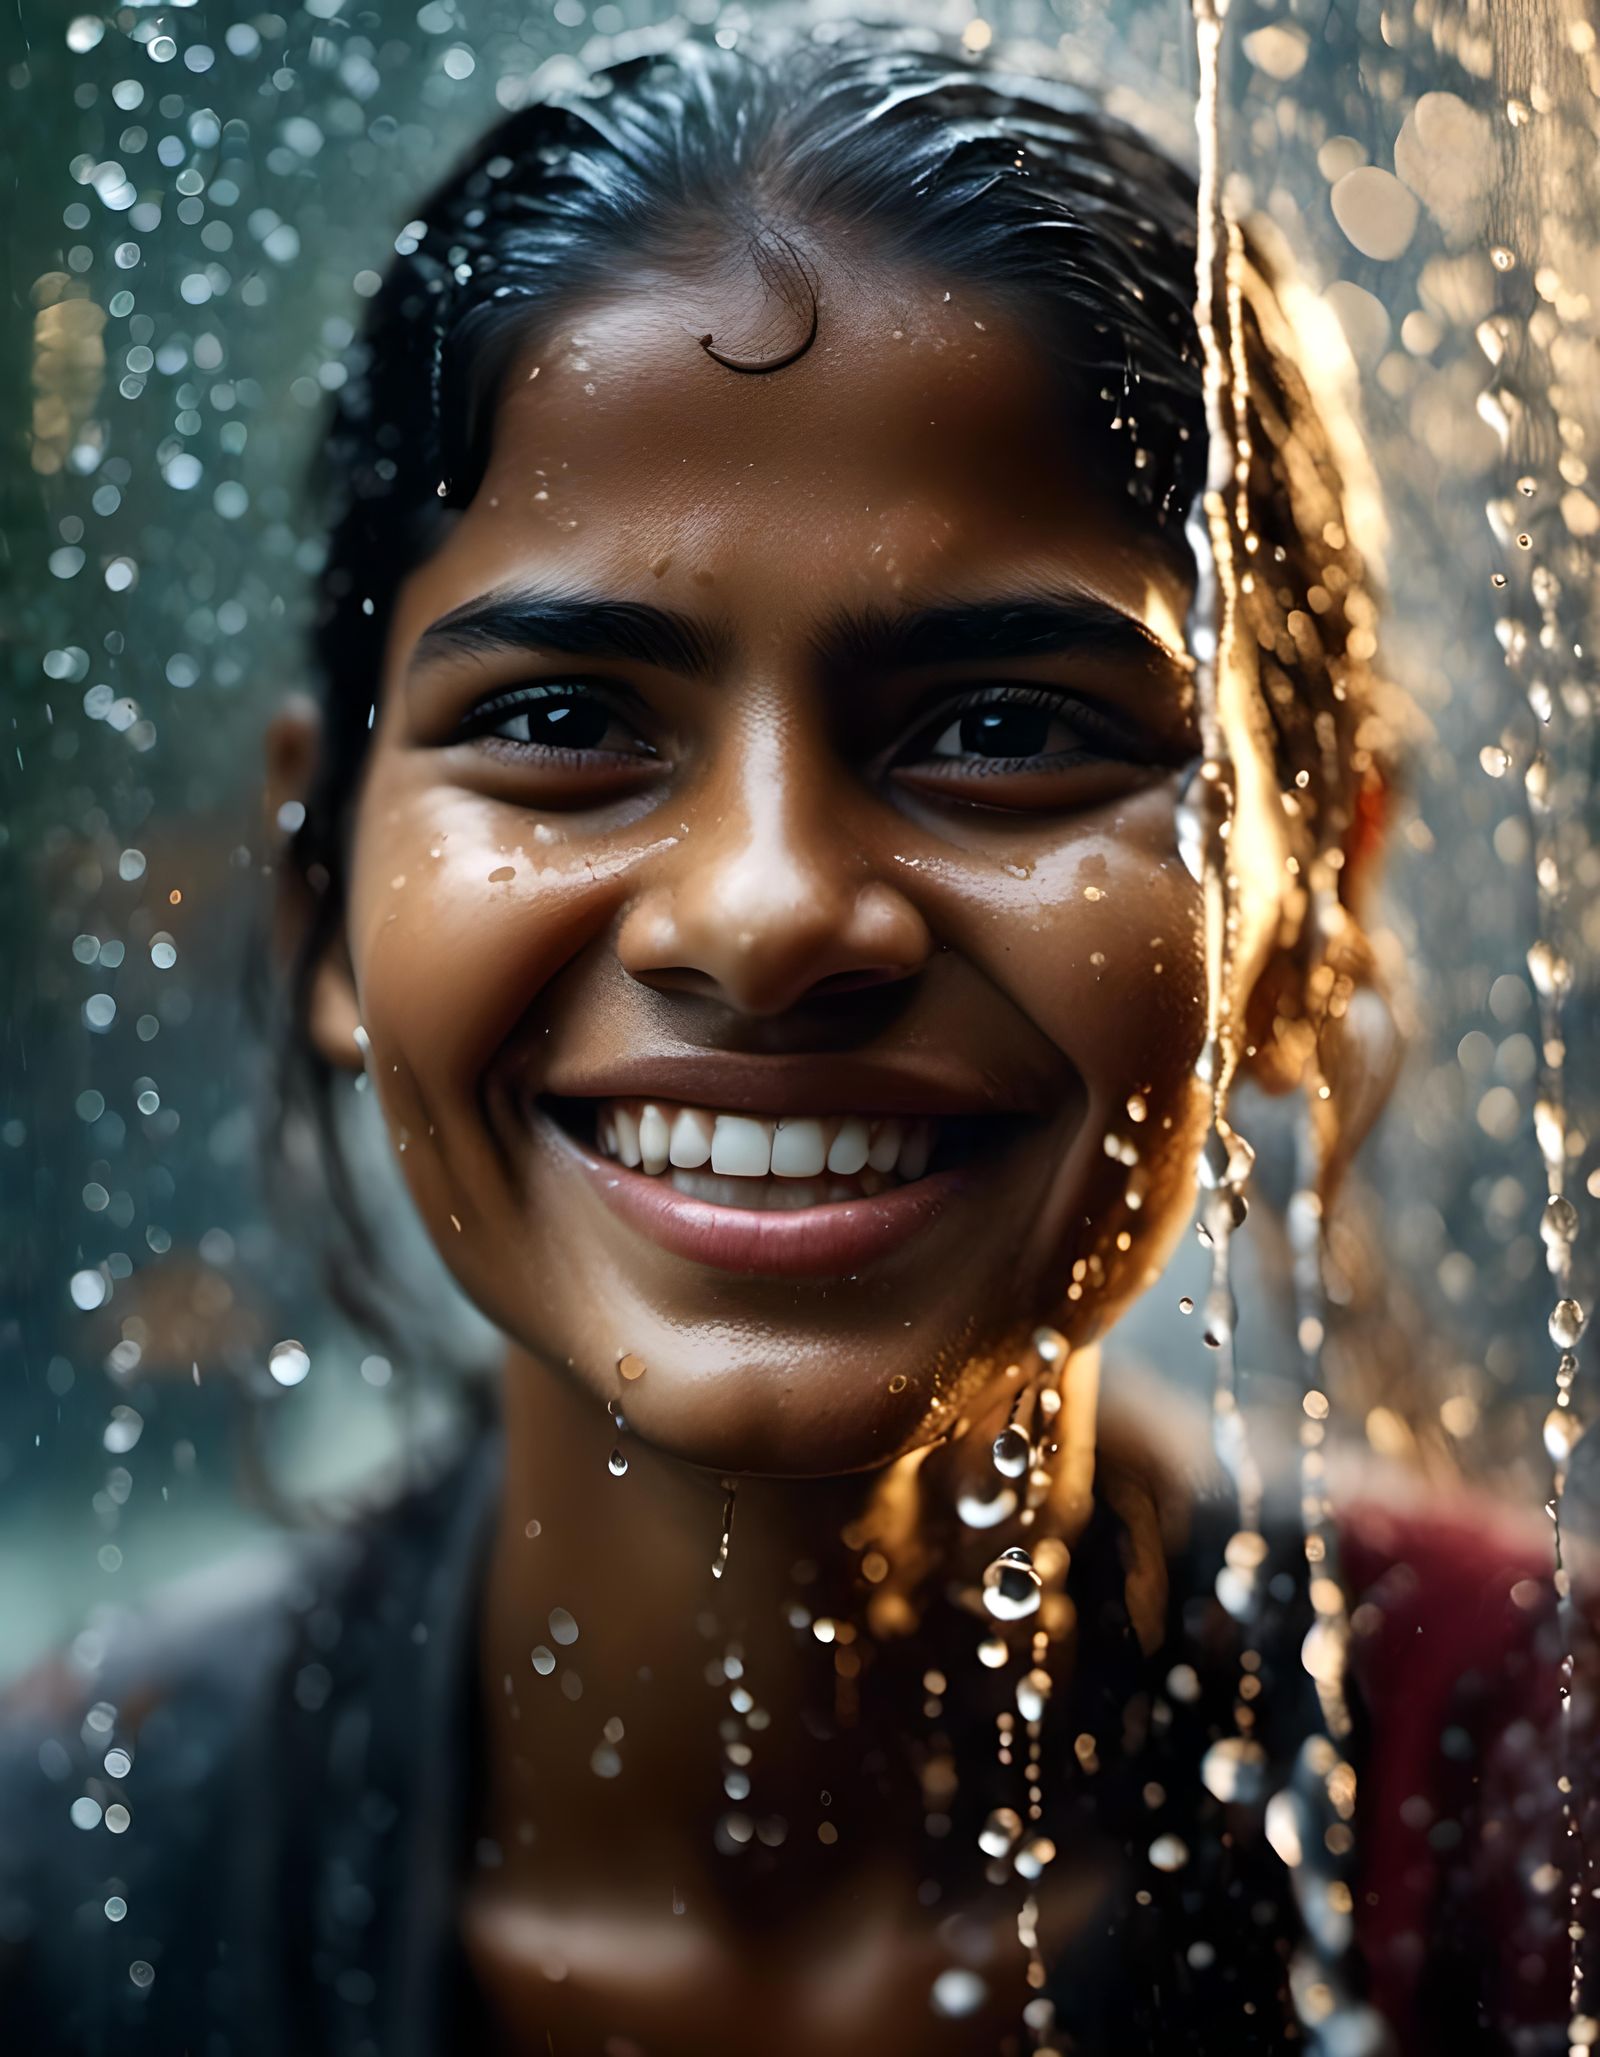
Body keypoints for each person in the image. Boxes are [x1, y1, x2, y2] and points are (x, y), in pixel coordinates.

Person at [0, 27, 1582, 2057]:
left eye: (1005, 729)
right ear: (320, 885)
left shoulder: (1544, 1830)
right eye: (565, 721)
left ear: (1309, 904)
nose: (761, 917)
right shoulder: (69, 1916)